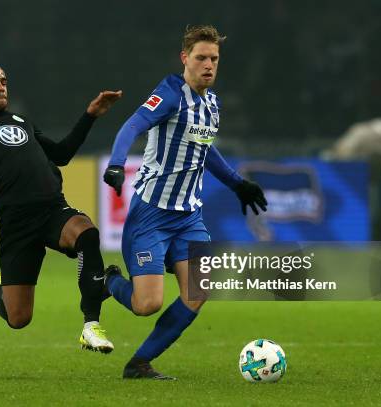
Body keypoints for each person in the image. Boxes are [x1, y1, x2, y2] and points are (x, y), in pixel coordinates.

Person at [103, 25, 267, 379]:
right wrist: (117, 163)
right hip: (152, 214)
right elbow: (131, 126)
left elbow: (203, 150)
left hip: (189, 216)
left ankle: (139, 363)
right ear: (185, 59)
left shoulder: (211, 104)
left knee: (199, 290)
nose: (208, 65)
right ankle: (110, 282)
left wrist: (238, 184)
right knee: (147, 304)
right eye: (201, 58)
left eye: (214, 59)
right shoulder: (169, 96)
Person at [0, 62, 122, 353]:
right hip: (17, 226)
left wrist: (90, 116)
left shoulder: (21, 121)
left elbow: (62, 154)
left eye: (3, 81)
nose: (1, 86)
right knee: (19, 319)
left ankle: (91, 326)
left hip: (53, 209)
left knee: (87, 234)